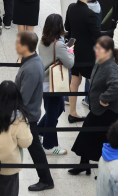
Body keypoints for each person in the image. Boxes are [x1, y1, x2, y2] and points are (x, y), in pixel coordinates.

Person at [71, 36, 118, 175]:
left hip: (107, 112)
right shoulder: (101, 61)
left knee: (99, 138)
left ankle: (101, 168)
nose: (96, 51)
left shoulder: (110, 66)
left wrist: (104, 98)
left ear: (108, 51)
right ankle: (84, 164)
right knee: (87, 135)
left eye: (99, 49)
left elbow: (117, 85)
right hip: (99, 110)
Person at [7, 31, 53, 191]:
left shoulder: (31, 68)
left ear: (25, 46)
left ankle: (46, 179)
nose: (15, 45)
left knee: (35, 148)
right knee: (12, 143)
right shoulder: (32, 60)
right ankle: (1, 171)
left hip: (27, 116)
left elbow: (23, 99)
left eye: (18, 43)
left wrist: (9, 115)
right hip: (27, 113)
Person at [36, 15, 74, 156]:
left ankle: (38, 131)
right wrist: (70, 51)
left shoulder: (42, 42)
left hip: (45, 82)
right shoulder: (58, 44)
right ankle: (49, 146)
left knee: (55, 110)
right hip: (55, 83)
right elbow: (69, 63)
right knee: (53, 115)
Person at [64, 0, 103, 121]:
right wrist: (113, 31)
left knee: (75, 81)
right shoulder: (90, 14)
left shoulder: (71, 8)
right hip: (88, 53)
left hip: (74, 49)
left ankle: (72, 113)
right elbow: (97, 35)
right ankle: (96, 114)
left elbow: (67, 27)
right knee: (94, 83)